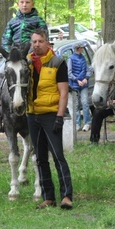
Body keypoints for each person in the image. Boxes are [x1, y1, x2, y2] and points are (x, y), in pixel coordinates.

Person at [26, 29, 74, 210]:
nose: (37, 44)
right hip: (32, 114)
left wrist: (60, 116)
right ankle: (48, 197)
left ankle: (67, 196)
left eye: (40, 41)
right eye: (34, 41)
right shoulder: (28, 63)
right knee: (40, 158)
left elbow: (63, 93)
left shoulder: (57, 62)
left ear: (47, 43)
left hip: (51, 114)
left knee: (58, 156)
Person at [0, 0, 47, 118]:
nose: (24, 5)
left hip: (31, 53)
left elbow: (43, 38)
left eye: (27, 2)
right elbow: (5, 39)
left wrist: (32, 50)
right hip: (13, 55)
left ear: (32, 4)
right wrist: (8, 54)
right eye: (22, 2)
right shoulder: (12, 22)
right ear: (18, 4)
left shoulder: (39, 21)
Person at [67, 41, 93, 132]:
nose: (83, 49)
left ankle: (87, 123)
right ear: (78, 49)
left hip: (84, 85)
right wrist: (77, 80)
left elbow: (88, 69)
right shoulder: (70, 59)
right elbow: (69, 73)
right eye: (82, 48)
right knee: (76, 105)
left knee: (85, 103)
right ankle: (77, 123)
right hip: (74, 85)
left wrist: (86, 78)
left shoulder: (83, 58)